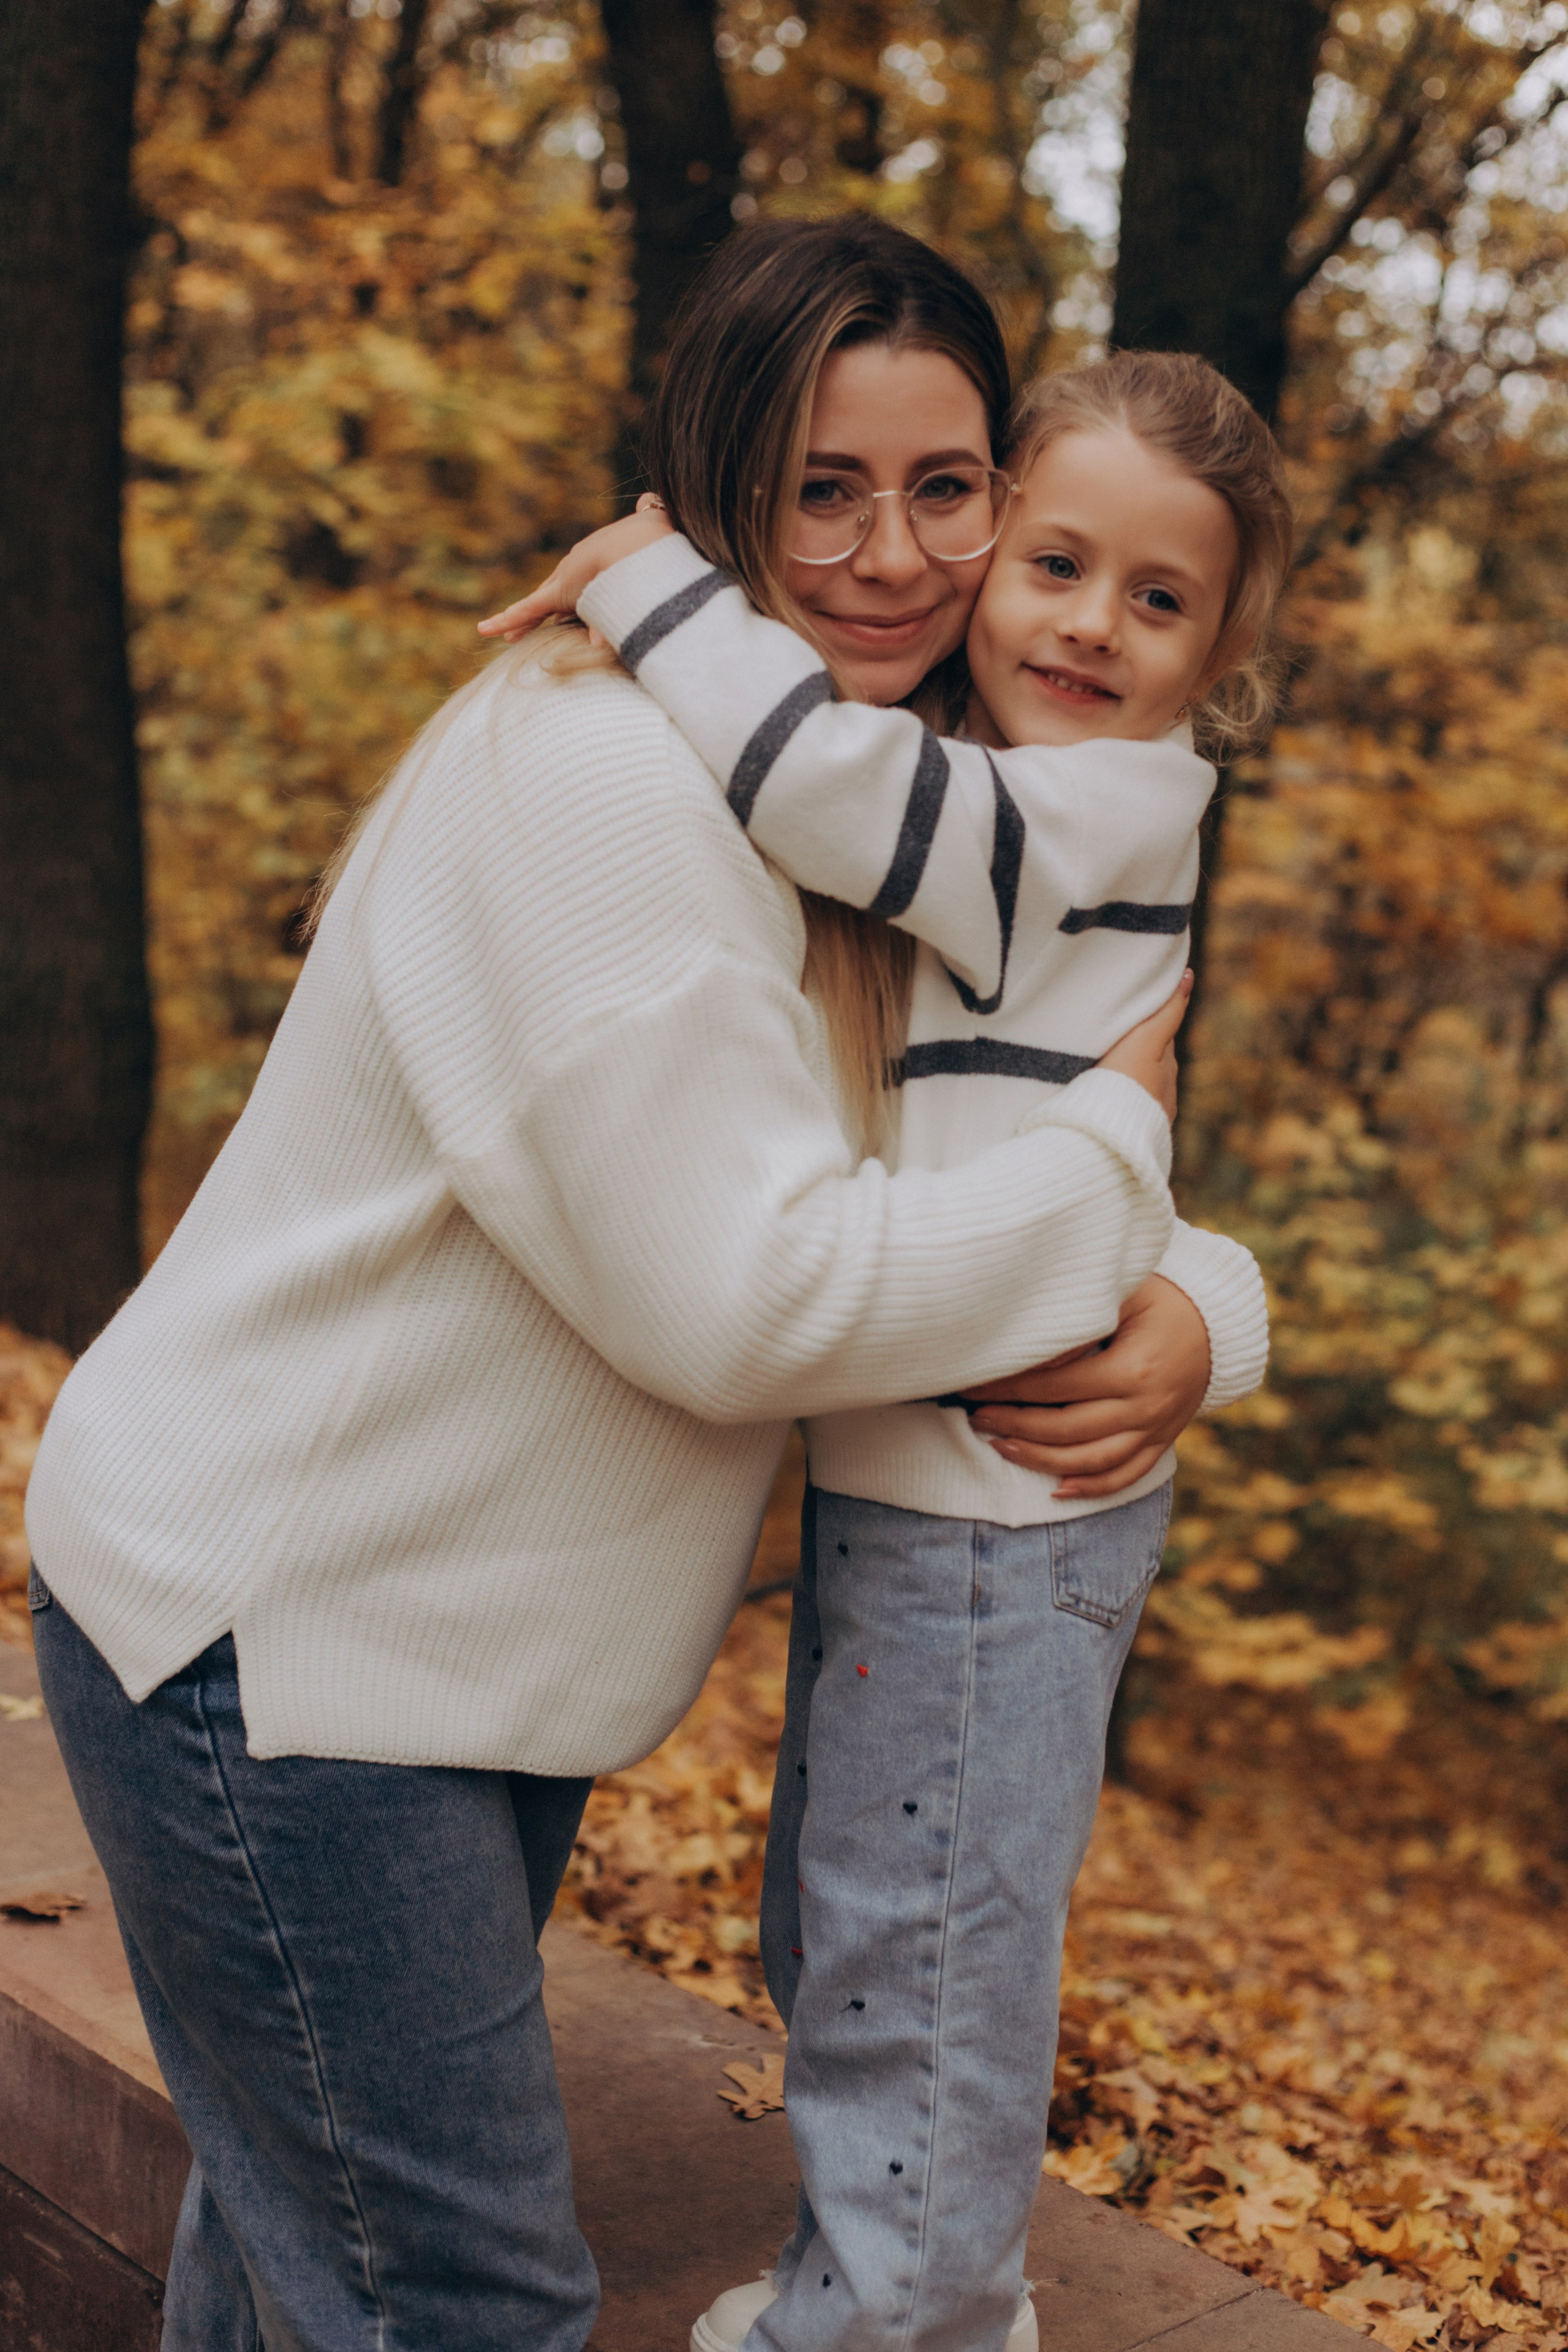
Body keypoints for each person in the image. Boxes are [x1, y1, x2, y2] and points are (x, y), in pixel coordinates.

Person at [24, 219, 1253, 2352]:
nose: (892, 555)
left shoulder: (880, 820)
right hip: (284, 1645)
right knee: (461, 2301)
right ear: (720, 490)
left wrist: (1201, 1308)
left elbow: (974, 1150)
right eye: (822, 490)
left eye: (947, 489)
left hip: (438, 1661)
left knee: (296, 2268)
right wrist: (1119, 1171)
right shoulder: (608, 782)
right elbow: (757, 1301)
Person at [484, 344, 1288, 2352]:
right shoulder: (1012, 792)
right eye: (1060, 565)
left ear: (1221, 655)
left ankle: (900, 2319)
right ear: (1000, 549)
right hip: (932, 1489)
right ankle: (892, 2288)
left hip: (999, 1510)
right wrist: (1216, 1306)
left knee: (921, 1951)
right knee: (857, 1917)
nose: (1091, 625)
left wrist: (647, 581)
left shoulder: (1087, 810)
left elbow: (819, 787)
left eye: (1160, 599)